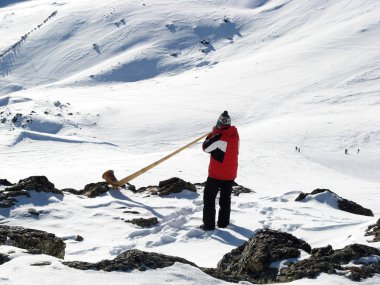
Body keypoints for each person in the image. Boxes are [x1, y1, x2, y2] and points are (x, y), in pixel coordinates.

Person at [200, 111, 239, 231]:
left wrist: (213, 133)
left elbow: (206, 147)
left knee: (209, 199)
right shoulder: (234, 134)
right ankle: (223, 223)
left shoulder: (219, 136)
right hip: (230, 173)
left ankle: (209, 225)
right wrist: (216, 133)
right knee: (225, 200)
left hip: (217, 174)